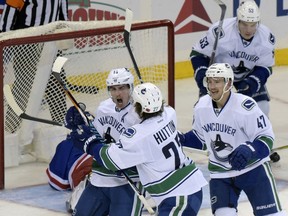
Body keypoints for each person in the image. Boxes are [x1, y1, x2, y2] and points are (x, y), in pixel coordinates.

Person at [71, 82, 208, 216]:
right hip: (185, 188)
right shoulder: (169, 114)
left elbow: (109, 159)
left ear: (138, 107)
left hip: (178, 195)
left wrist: (89, 142)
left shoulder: (139, 136)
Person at [180, 63, 286, 216]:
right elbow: (200, 138)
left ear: (228, 83)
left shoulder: (245, 107)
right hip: (221, 175)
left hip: (253, 170)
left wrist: (249, 150)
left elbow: (266, 137)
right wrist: (180, 139)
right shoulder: (201, 107)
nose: (212, 86)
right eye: (209, 81)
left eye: (217, 81)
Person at [68, 68, 144, 216]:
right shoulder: (104, 107)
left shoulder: (139, 114)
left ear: (131, 88)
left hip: (128, 181)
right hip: (99, 178)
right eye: (113, 89)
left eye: (122, 88)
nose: (117, 93)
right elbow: (94, 135)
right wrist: (79, 125)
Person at [190, 0, 275, 117]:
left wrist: (253, 82)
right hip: (219, 75)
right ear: (237, 21)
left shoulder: (265, 38)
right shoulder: (220, 31)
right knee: (207, 113)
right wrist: (203, 77)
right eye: (244, 24)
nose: (248, 30)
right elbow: (198, 53)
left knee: (262, 109)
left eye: (253, 24)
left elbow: (265, 66)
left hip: (247, 75)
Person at [1, 0, 69, 132]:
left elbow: (63, 13)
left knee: (57, 83)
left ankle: (62, 126)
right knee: (24, 85)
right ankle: (10, 128)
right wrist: (3, 37)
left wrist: (64, 33)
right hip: (27, 41)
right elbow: (9, 14)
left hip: (52, 42)